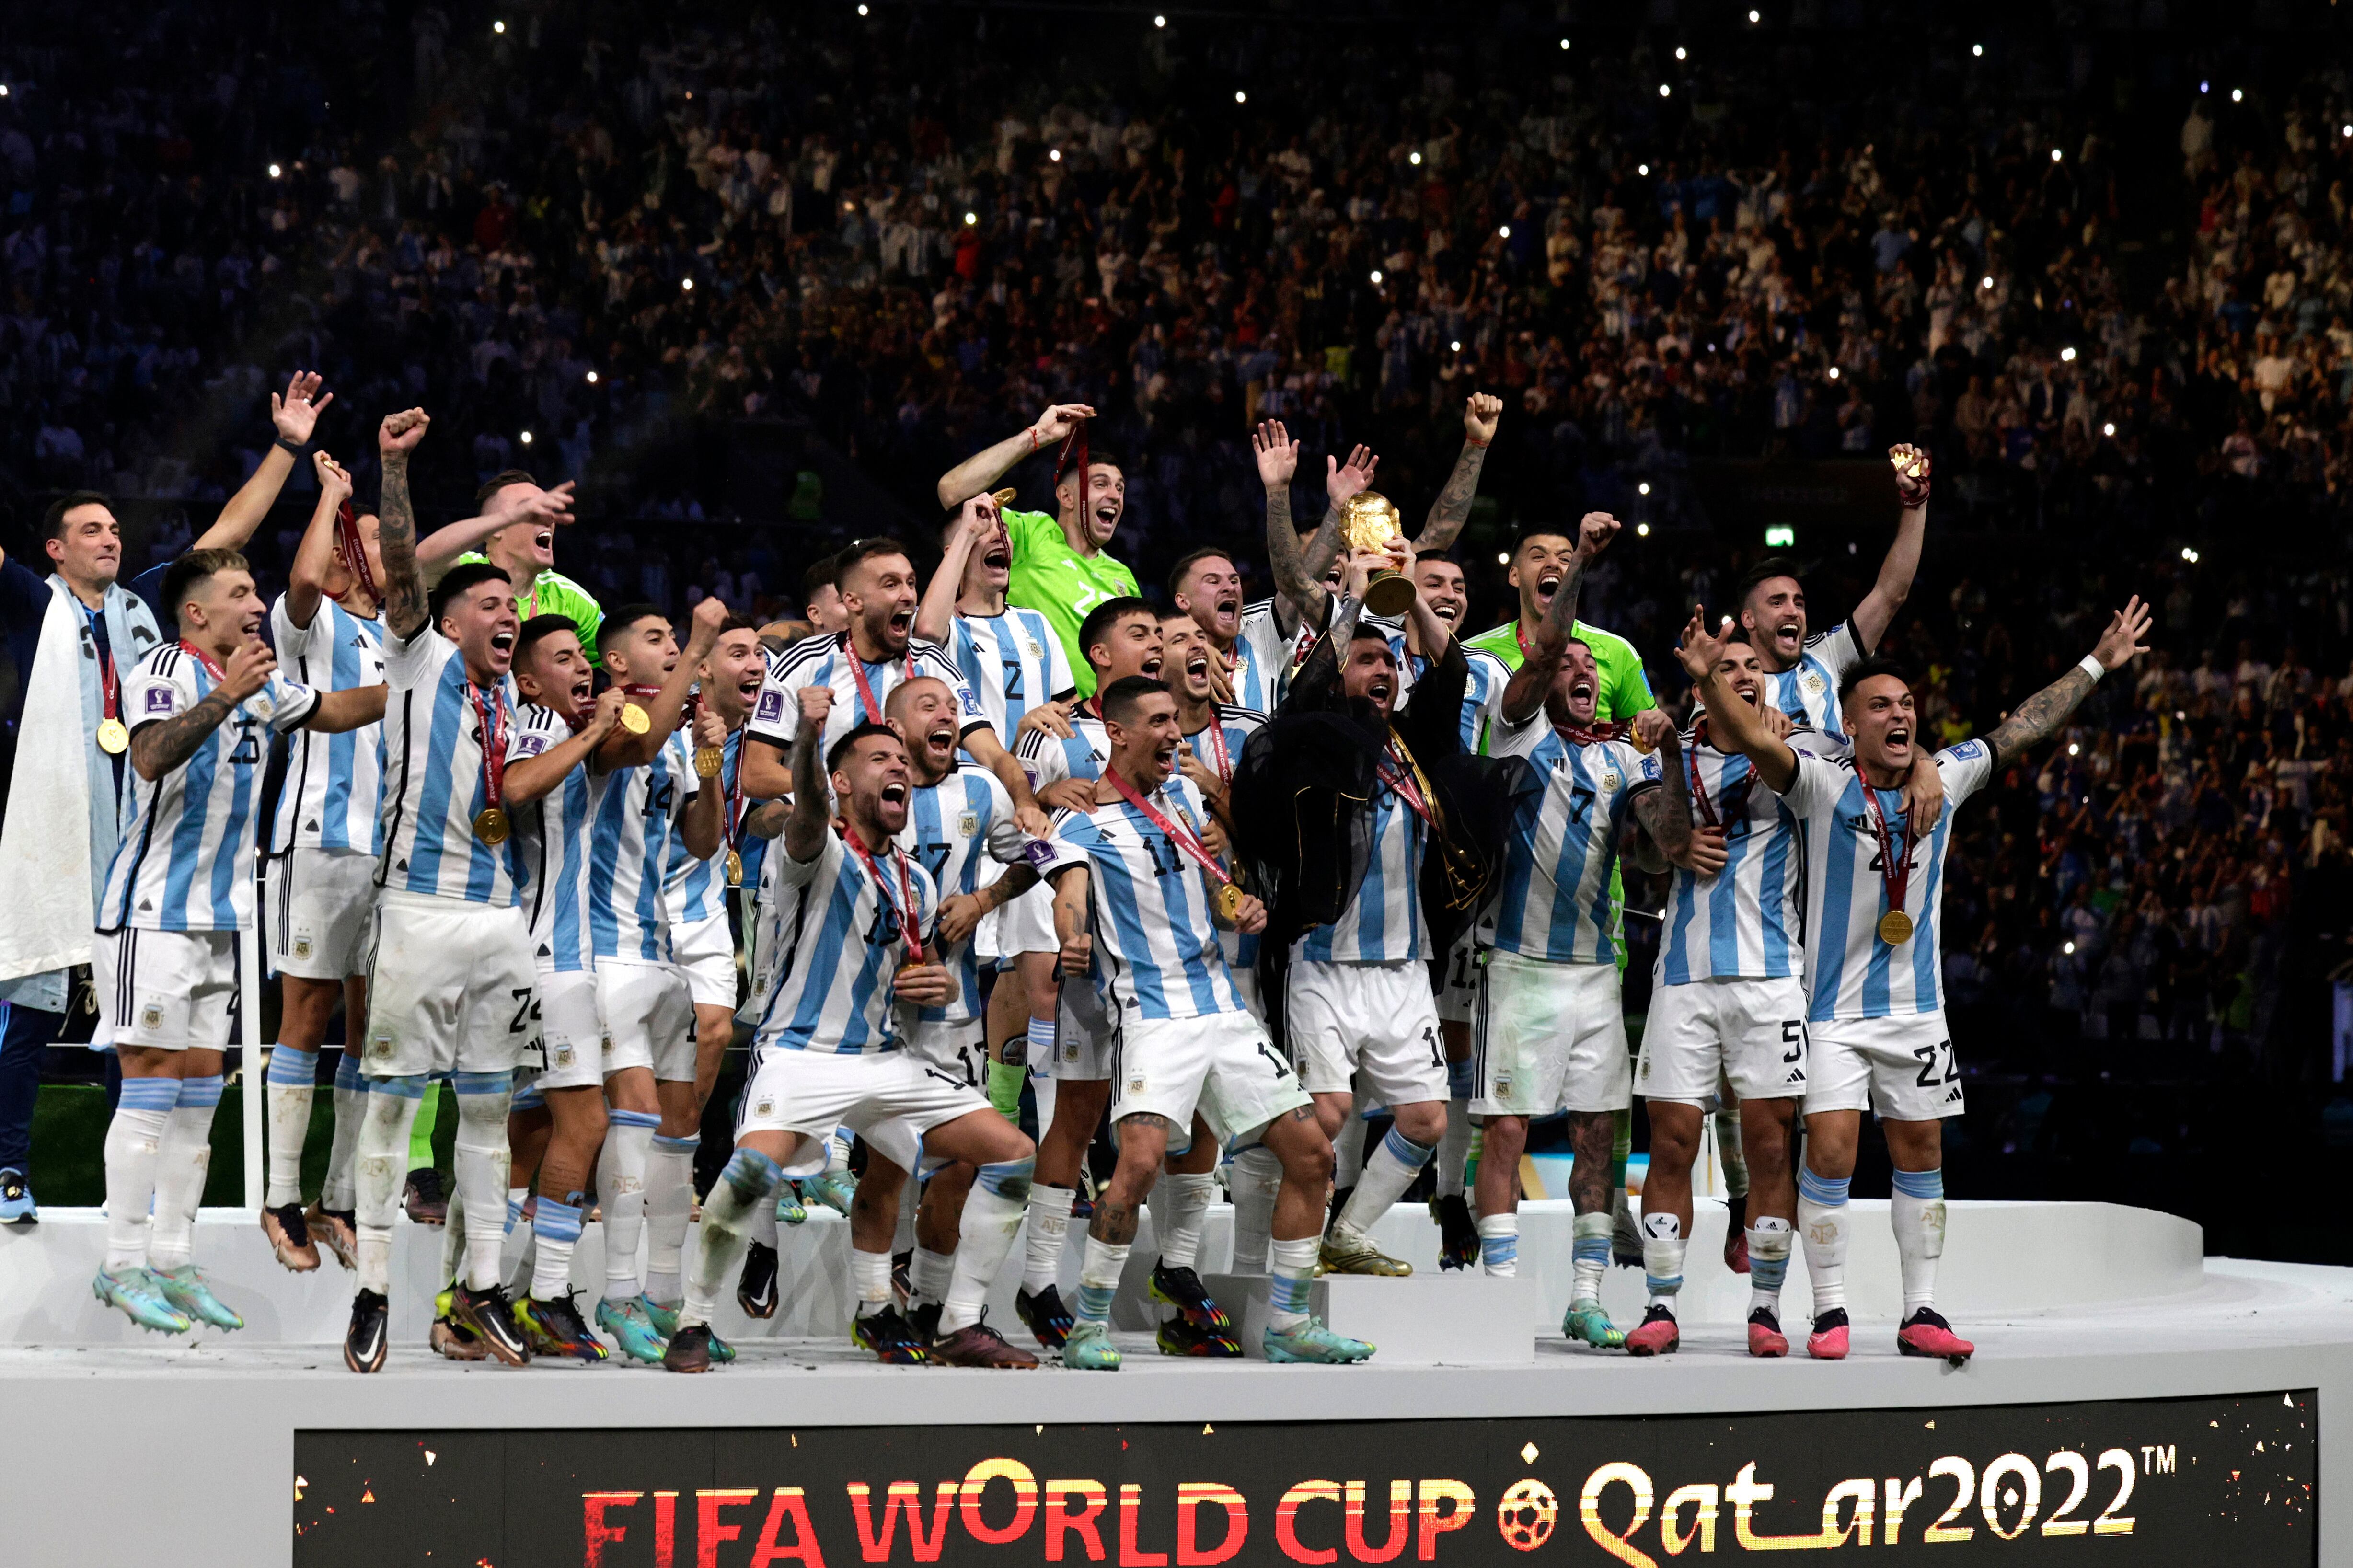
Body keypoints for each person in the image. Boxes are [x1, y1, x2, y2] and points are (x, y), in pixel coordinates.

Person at [1678, 596, 2154, 1364]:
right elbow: (1747, 741)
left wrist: (2098, 661)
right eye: (1880, 707)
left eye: (1907, 705)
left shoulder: (1948, 776)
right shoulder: (1817, 780)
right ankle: (1828, 1312)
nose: (1899, 717)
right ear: (1849, 723)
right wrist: (1708, 683)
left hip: (1916, 1014)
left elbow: (2022, 728)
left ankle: (1919, 1308)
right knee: (1829, 1151)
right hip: (1829, 1010)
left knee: (1921, 1151)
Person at [0, 370, 333, 1224]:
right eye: (90, 530)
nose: (110, 538)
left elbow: (226, 532)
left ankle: (131, 1194)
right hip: (52, 830)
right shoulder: (30, 606)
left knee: (133, 1023)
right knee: (34, 1002)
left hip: (142, 838)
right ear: (55, 550)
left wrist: (287, 448)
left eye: (114, 527)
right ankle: (6, 1170)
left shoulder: (145, 610)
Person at [659, 697, 1038, 1374]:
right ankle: (691, 1322)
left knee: (1010, 1153)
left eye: (902, 760)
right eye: (879, 759)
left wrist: (941, 989)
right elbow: (805, 800)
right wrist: (807, 736)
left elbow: (916, 982)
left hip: (886, 1058)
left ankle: (951, 1321)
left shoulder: (915, 879)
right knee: (748, 1173)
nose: (899, 766)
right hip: (800, 1054)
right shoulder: (813, 846)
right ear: (840, 782)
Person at [90, 547, 383, 1334]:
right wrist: (227, 693)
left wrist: (420, 686)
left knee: (194, 1097)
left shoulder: (259, 682)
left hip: (221, 924)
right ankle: (121, 1263)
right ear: (197, 613)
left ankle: (175, 1258)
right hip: (152, 915)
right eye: (241, 592)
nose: (259, 603)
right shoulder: (165, 665)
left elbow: (332, 710)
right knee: (151, 1089)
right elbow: (150, 755)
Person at [1041, 675, 1368, 1368]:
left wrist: (1239, 905)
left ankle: (1286, 1323)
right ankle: (1088, 1328)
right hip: (1152, 1016)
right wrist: (1070, 936)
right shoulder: (1080, 824)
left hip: (1223, 1007)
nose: (1173, 734)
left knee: (1312, 1156)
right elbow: (1069, 897)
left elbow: (1213, 885)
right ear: (1118, 732)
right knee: (1136, 1166)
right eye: (1158, 722)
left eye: (1177, 723)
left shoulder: (1186, 799)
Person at [341, 407, 542, 1375]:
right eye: (491, 607)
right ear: (450, 618)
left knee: (492, 1110)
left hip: (501, 919)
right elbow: (400, 559)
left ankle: (484, 1289)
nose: (506, 618)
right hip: (416, 911)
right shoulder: (416, 656)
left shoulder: (517, 701)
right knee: (391, 1105)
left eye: (513, 610)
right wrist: (391, 466)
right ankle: (375, 1287)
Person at [1479, 564, 1696, 1351]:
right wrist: (1576, 565)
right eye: (1562, 664)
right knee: (1504, 1132)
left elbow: (1664, 852)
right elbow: (1532, 670)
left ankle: (1586, 1296)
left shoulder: (1622, 758)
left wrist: (1670, 759)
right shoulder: (1518, 737)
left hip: (1595, 974)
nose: (1578, 671)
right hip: (1519, 965)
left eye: (1588, 668)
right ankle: (1500, 1297)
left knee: (1600, 1136)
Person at [1267, 545, 1468, 1280]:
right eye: (1364, 661)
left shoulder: (1413, 746)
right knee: (1322, 1120)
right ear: (1335, 675)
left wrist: (1407, 593)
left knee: (1425, 1120)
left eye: (1388, 664)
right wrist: (1346, 607)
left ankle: (1344, 1234)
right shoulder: (1308, 747)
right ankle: (1286, 1258)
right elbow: (1301, 698)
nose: (1381, 671)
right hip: (1321, 962)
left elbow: (1450, 675)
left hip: (1403, 966)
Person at [862, 675, 1051, 1364]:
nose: (946, 715)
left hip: (954, 1016)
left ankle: (936, 1308)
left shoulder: (981, 790)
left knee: (964, 1164)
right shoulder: (862, 791)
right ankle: (868, 1304)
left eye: (952, 707)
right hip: (869, 1020)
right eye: (926, 706)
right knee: (884, 1168)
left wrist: (984, 898)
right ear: (890, 725)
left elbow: (1039, 858)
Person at [1628, 631, 1806, 1359]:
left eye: (1752, 669)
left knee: (1768, 1148)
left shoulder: (1798, 754)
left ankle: (1764, 1309)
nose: (1741, 676)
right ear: (1699, 684)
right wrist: (1670, 751)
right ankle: (1660, 1306)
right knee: (1670, 1145)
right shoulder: (1669, 755)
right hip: (1684, 977)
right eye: (1724, 667)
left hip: (1770, 980)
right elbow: (1658, 844)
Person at [1004, 596, 1167, 1349]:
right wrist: (1040, 798)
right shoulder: (1054, 729)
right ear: (1098, 655)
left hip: (1162, 961)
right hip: (1079, 944)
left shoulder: (1181, 730)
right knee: (1072, 1114)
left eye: (1160, 635)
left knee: (1158, 1125)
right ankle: (1038, 1282)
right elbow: (1019, 831)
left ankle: (1175, 1267)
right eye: (1140, 634)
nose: (1157, 644)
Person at [575, 599, 729, 1359]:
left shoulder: (673, 740)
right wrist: (703, 643)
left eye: (675, 637)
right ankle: (618, 1295)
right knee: (631, 1118)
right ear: (615, 662)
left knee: (679, 1134)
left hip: (660, 951)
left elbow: (701, 845)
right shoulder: (608, 719)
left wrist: (709, 764)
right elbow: (634, 746)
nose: (672, 647)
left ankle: (666, 1298)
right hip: (601, 953)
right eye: (657, 637)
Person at [259, 450, 390, 1275]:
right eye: (372, 540)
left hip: (388, 854)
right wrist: (336, 495)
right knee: (305, 1021)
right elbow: (306, 578)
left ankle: (336, 1196)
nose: (386, 550)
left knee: (373, 1031)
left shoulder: (400, 639)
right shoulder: (313, 625)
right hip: (317, 840)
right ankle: (278, 1195)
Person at [487, 617, 630, 1363]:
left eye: (585, 657)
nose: (582, 670)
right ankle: (543, 1296)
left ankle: (484, 1299)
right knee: (586, 1125)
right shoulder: (532, 728)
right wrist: (594, 727)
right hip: (548, 958)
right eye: (564, 659)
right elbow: (512, 790)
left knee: (527, 1137)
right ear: (529, 680)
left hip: (547, 959)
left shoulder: (564, 729)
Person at [914, 494, 1078, 1121]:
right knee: (960, 983)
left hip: (1030, 820)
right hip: (963, 820)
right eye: (981, 529)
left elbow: (1062, 716)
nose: (998, 536)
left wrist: (1046, 769)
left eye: (1004, 529)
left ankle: (1017, 1131)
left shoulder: (1036, 626)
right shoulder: (944, 630)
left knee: (1039, 987)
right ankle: (951, 1126)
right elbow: (924, 632)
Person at [638, 612, 770, 1342]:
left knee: (714, 1033)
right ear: (706, 668)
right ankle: (656, 1165)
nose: (756, 666)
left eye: (760, 655)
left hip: (701, 907)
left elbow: (713, 830)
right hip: (638, 912)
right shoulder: (661, 719)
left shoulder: (750, 732)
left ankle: (679, 1155)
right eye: (741, 653)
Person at [1730, 444, 1933, 739]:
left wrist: (1916, 502)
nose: (1793, 610)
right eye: (1777, 602)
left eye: (1799, 602)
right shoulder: (1728, 683)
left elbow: (1891, 594)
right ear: (1749, 620)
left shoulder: (1829, 654)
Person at [934, 404, 1135, 696]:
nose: (1114, 496)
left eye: (1120, 488)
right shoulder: (1032, 533)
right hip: (1038, 712)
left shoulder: (1123, 576)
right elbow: (953, 492)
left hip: (1106, 727)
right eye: (1101, 484)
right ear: (1066, 496)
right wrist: (1036, 435)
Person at [415, 469, 597, 653]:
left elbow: (619, 655)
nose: (548, 517)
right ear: (496, 528)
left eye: (547, 508)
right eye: (531, 510)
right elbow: (420, 562)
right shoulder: (467, 574)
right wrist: (509, 517)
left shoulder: (571, 599)